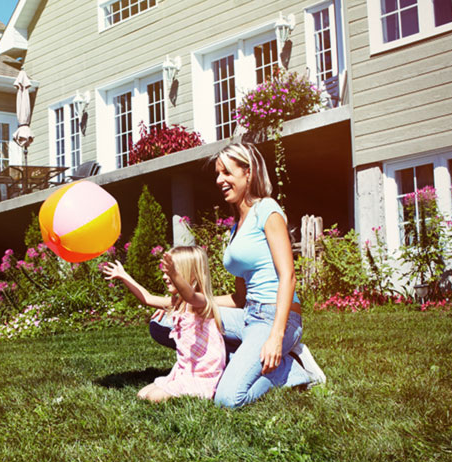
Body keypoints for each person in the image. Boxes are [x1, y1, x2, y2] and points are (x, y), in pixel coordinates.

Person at [208, 142, 326, 408]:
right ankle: (240, 358)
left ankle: (292, 367)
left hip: (276, 318)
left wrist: (276, 336)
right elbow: (240, 297)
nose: (219, 180)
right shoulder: (236, 226)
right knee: (172, 322)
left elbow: (288, 276)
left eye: (226, 172)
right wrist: (195, 302)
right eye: (217, 173)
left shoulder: (267, 210)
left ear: (247, 172)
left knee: (228, 400)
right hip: (248, 314)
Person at [103, 246, 226, 402]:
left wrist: (174, 274)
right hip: (183, 371)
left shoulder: (200, 303)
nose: (165, 277)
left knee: (154, 398)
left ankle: (199, 392)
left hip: (201, 375)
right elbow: (147, 298)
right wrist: (123, 276)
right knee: (142, 394)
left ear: (191, 274)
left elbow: (191, 296)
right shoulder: (177, 302)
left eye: (171, 272)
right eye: (166, 272)